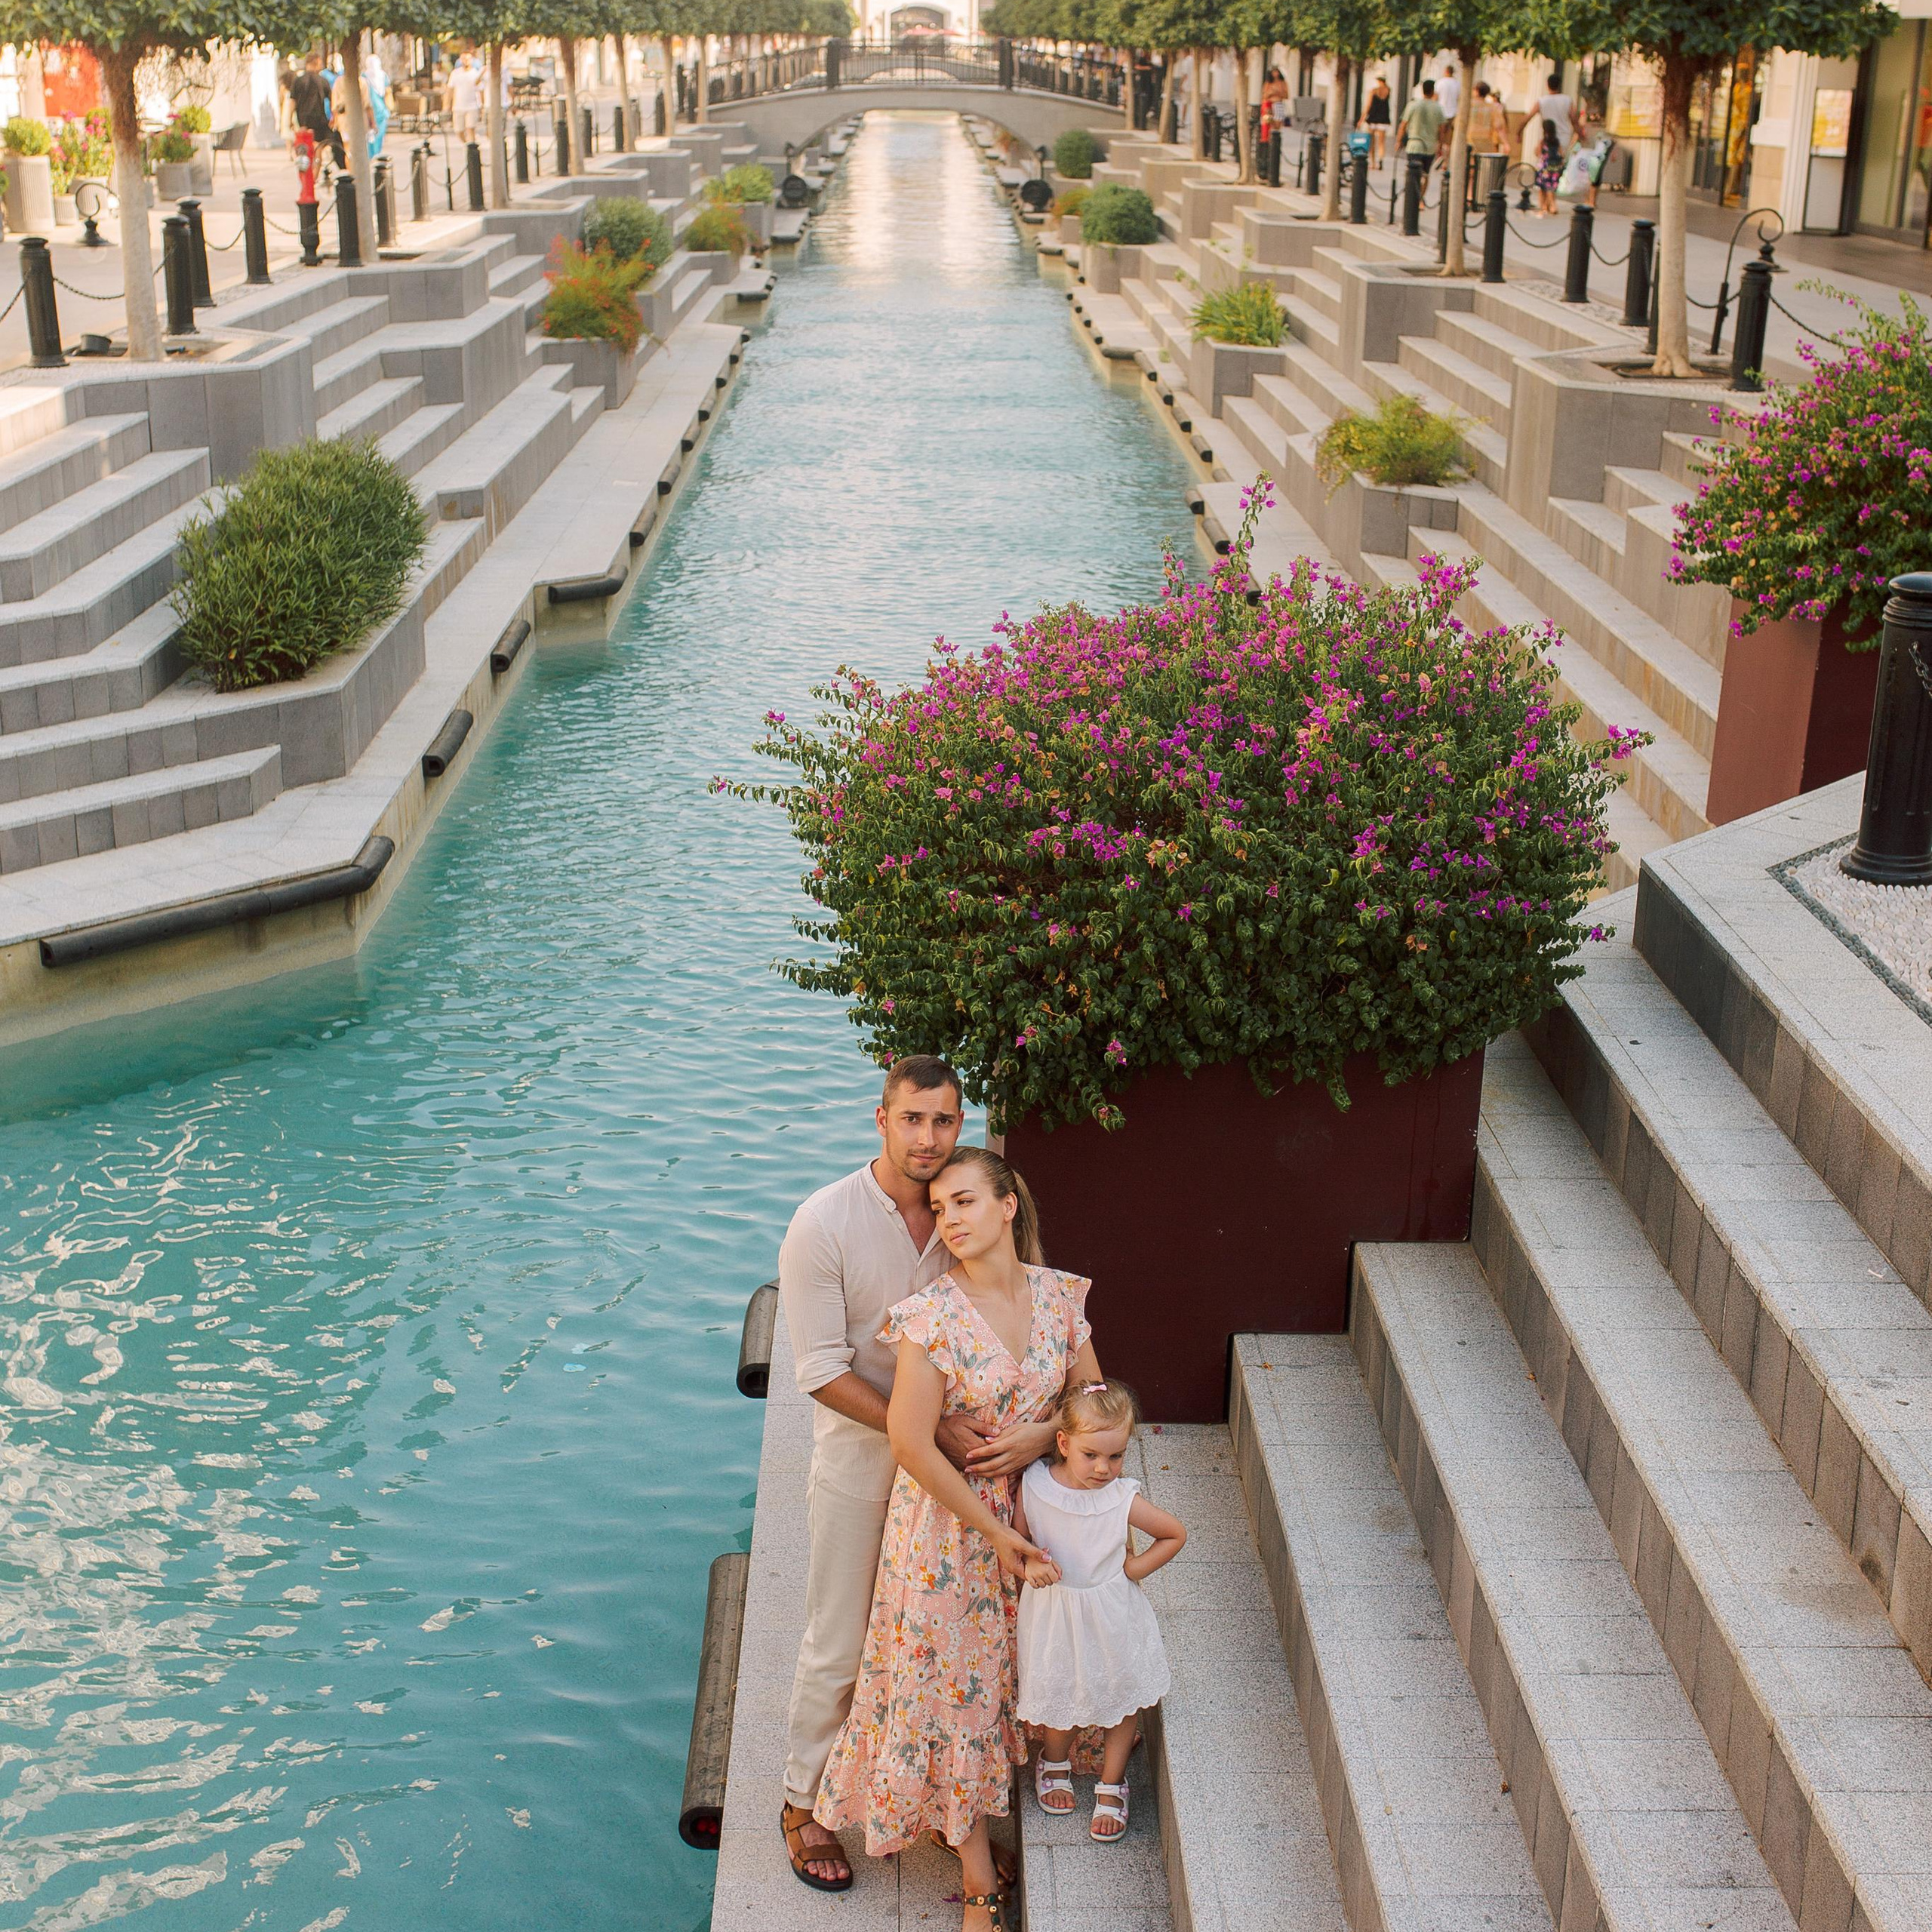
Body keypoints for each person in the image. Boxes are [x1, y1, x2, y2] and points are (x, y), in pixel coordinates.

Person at [815, 1146, 1100, 1932]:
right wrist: (993, 1532)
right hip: (945, 1530)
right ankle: (978, 1875)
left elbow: (1093, 1398)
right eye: (940, 1208)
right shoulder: (931, 1315)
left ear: (1009, 1205)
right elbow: (910, 1441)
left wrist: (1044, 1433)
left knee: (1004, 1674)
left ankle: (992, 1801)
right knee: (949, 1692)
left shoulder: (1060, 1298)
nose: (952, 1219)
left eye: (967, 1201)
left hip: (1034, 1514)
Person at [1016, 1378, 1183, 1843]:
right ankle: (1055, 1761)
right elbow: (1020, 1542)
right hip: (1056, 1612)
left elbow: (1174, 1533)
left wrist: (1133, 1569)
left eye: (1116, 1456)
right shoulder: (1035, 1486)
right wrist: (1031, 1566)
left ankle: (1112, 1782)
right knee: (1058, 1687)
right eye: (1092, 1455)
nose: (1104, 1468)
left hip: (1111, 1613)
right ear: (1064, 1443)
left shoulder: (1119, 1497)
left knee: (1120, 1694)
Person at [288, 51, 341, 169]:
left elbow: (292, 102)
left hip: (303, 122)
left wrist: (289, 120)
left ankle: (308, 176)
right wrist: (334, 117)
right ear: (316, 62)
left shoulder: (297, 81)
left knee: (305, 150)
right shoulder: (322, 81)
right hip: (319, 121)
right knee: (318, 149)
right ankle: (315, 174)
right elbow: (333, 101)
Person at [1397, 76, 1444, 192]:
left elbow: (1403, 125)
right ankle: (1421, 199)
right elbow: (1442, 129)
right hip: (1430, 146)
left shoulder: (1413, 105)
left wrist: (1398, 141)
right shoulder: (1438, 108)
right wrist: (1440, 144)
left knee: (1413, 172)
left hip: (1414, 145)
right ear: (1433, 91)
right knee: (1426, 174)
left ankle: (1413, 195)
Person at [1535, 71, 1579, 152]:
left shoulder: (1542, 101)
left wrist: (1519, 132)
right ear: (1559, 85)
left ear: (1547, 85)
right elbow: (1574, 120)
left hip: (1548, 138)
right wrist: (1579, 133)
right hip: (1564, 138)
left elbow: (1527, 118)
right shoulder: (1568, 100)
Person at [1358, 74, 1391, 167]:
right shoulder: (1388, 90)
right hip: (1383, 119)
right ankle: (1381, 159)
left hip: (1373, 118)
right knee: (1381, 142)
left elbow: (1368, 106)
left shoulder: (1373, 91)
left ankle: (1372, 163)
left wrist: (1362, 119)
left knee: (1371, 142)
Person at [450, 51, 483, 142]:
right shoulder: (455, 73)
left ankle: (471, 148)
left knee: (470, 128)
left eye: (468, 59)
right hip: (458, 106)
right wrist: (447, 105)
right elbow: (450, 89)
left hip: (472, 105)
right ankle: (466, 144)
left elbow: (480, 89)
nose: (466, 61)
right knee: (459, 130)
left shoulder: (475, 73)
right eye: (463, 59)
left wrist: (482, 105)